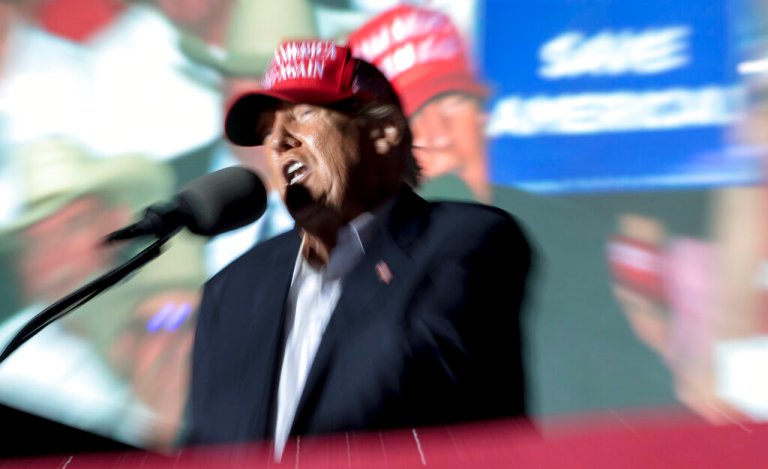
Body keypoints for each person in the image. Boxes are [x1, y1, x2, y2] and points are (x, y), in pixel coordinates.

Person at [184, 39, 532, 457]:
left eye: (304, 114)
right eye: (266, 131)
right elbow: (203, 450)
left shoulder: (463, 240)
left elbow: (402, 383)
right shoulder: (232, 289)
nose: (278, 142)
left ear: (383, 133)